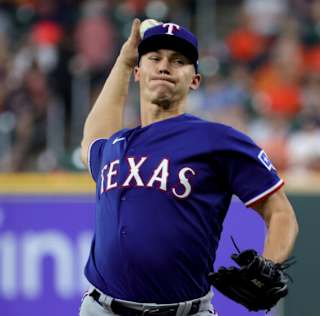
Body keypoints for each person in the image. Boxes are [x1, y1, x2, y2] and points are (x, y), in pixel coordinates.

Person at [79, 19, 298, 316]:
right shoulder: (117, 145)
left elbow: (281, 212)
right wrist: (123, 60)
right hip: (102, 309)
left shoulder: (218, 139)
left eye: (179, 61)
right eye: (155, 58)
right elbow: (92, 142)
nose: (165, 66)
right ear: (138, 72)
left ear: (194, 79)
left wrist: (269, 265)